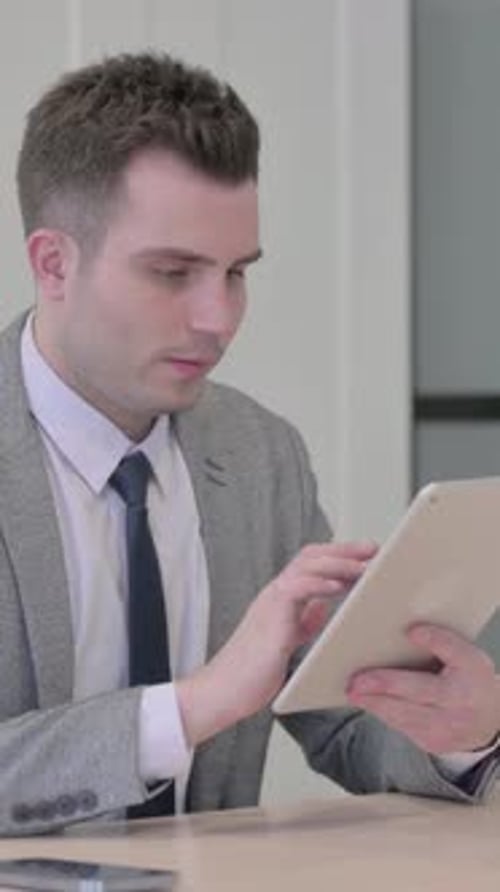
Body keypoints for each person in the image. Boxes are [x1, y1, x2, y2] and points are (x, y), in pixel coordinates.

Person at [0, 51, 498, 836]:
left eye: (236, 272)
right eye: (173, 272)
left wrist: (461, 738)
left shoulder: (262, 454)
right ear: (54, 263)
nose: (218, 318)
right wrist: (194, 706)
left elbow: (339, 722)